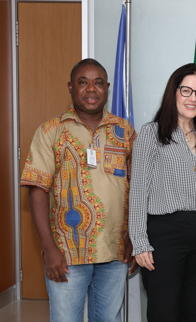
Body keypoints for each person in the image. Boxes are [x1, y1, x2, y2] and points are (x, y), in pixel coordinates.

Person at [20, 58, 137, 322]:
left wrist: (134, 235)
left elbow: (138, 187)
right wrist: (49, 248)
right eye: (83, 83)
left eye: (98, 83)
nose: (91, 89)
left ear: (107, 88)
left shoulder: (125, 131)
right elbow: (36, 189)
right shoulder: (50, 131)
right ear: (70, 87)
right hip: (66, 253)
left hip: (115, 250)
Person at [129, 63, 196, 321]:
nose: (193, 98)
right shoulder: (151, 133)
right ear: (173, 92)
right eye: (186, 90)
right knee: (164, 311)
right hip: (165, 233)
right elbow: (138, 191)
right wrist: (139, 242)